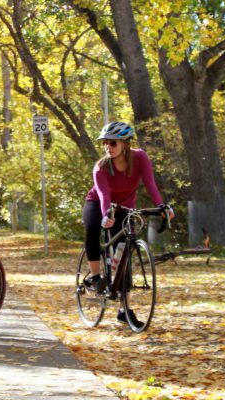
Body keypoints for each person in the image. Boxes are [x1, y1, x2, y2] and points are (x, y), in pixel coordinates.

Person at [82, 121, 174, 327]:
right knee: (92, 227)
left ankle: (124, 310)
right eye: (105, 143)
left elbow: (150, 183)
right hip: (97, 203)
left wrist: (162, 206)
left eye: (112, 143)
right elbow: (104, 195)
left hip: (126, 207)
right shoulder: (101, 167)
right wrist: (107, 214)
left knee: (124, 253)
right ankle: (96, 277)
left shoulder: (140, 157)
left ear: (125, 143)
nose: (108, 147)